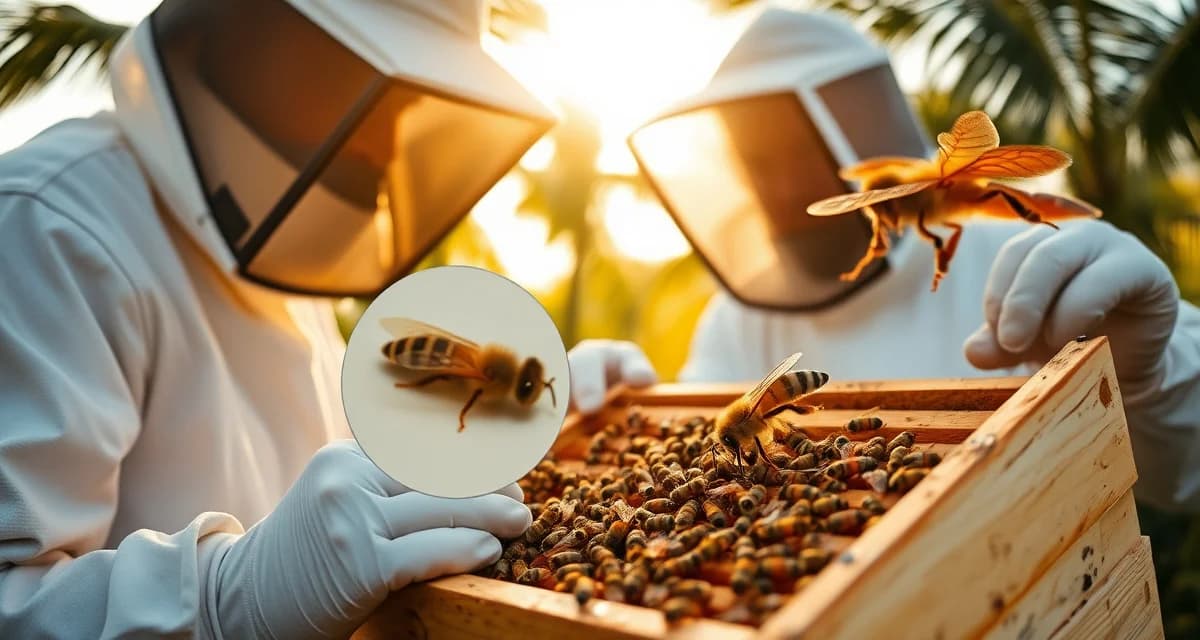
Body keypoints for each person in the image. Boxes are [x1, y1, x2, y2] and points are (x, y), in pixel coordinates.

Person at [0, 1, 557, 638]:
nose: (385, 141)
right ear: (250, 37)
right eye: (349, 75)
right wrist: (224, 600)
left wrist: (519, 422)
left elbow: (336, 483)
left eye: (407, 105)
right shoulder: (41, 225)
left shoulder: (280, 255)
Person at [569, 7, 1200, 512]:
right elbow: (700, 459)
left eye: (797, 153)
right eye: (757, 163)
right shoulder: (737, 319)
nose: (782, 191)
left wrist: (1152, 373)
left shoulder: (1021, 254)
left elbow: (1182, 479)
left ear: (868, 139)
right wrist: (612, 410)